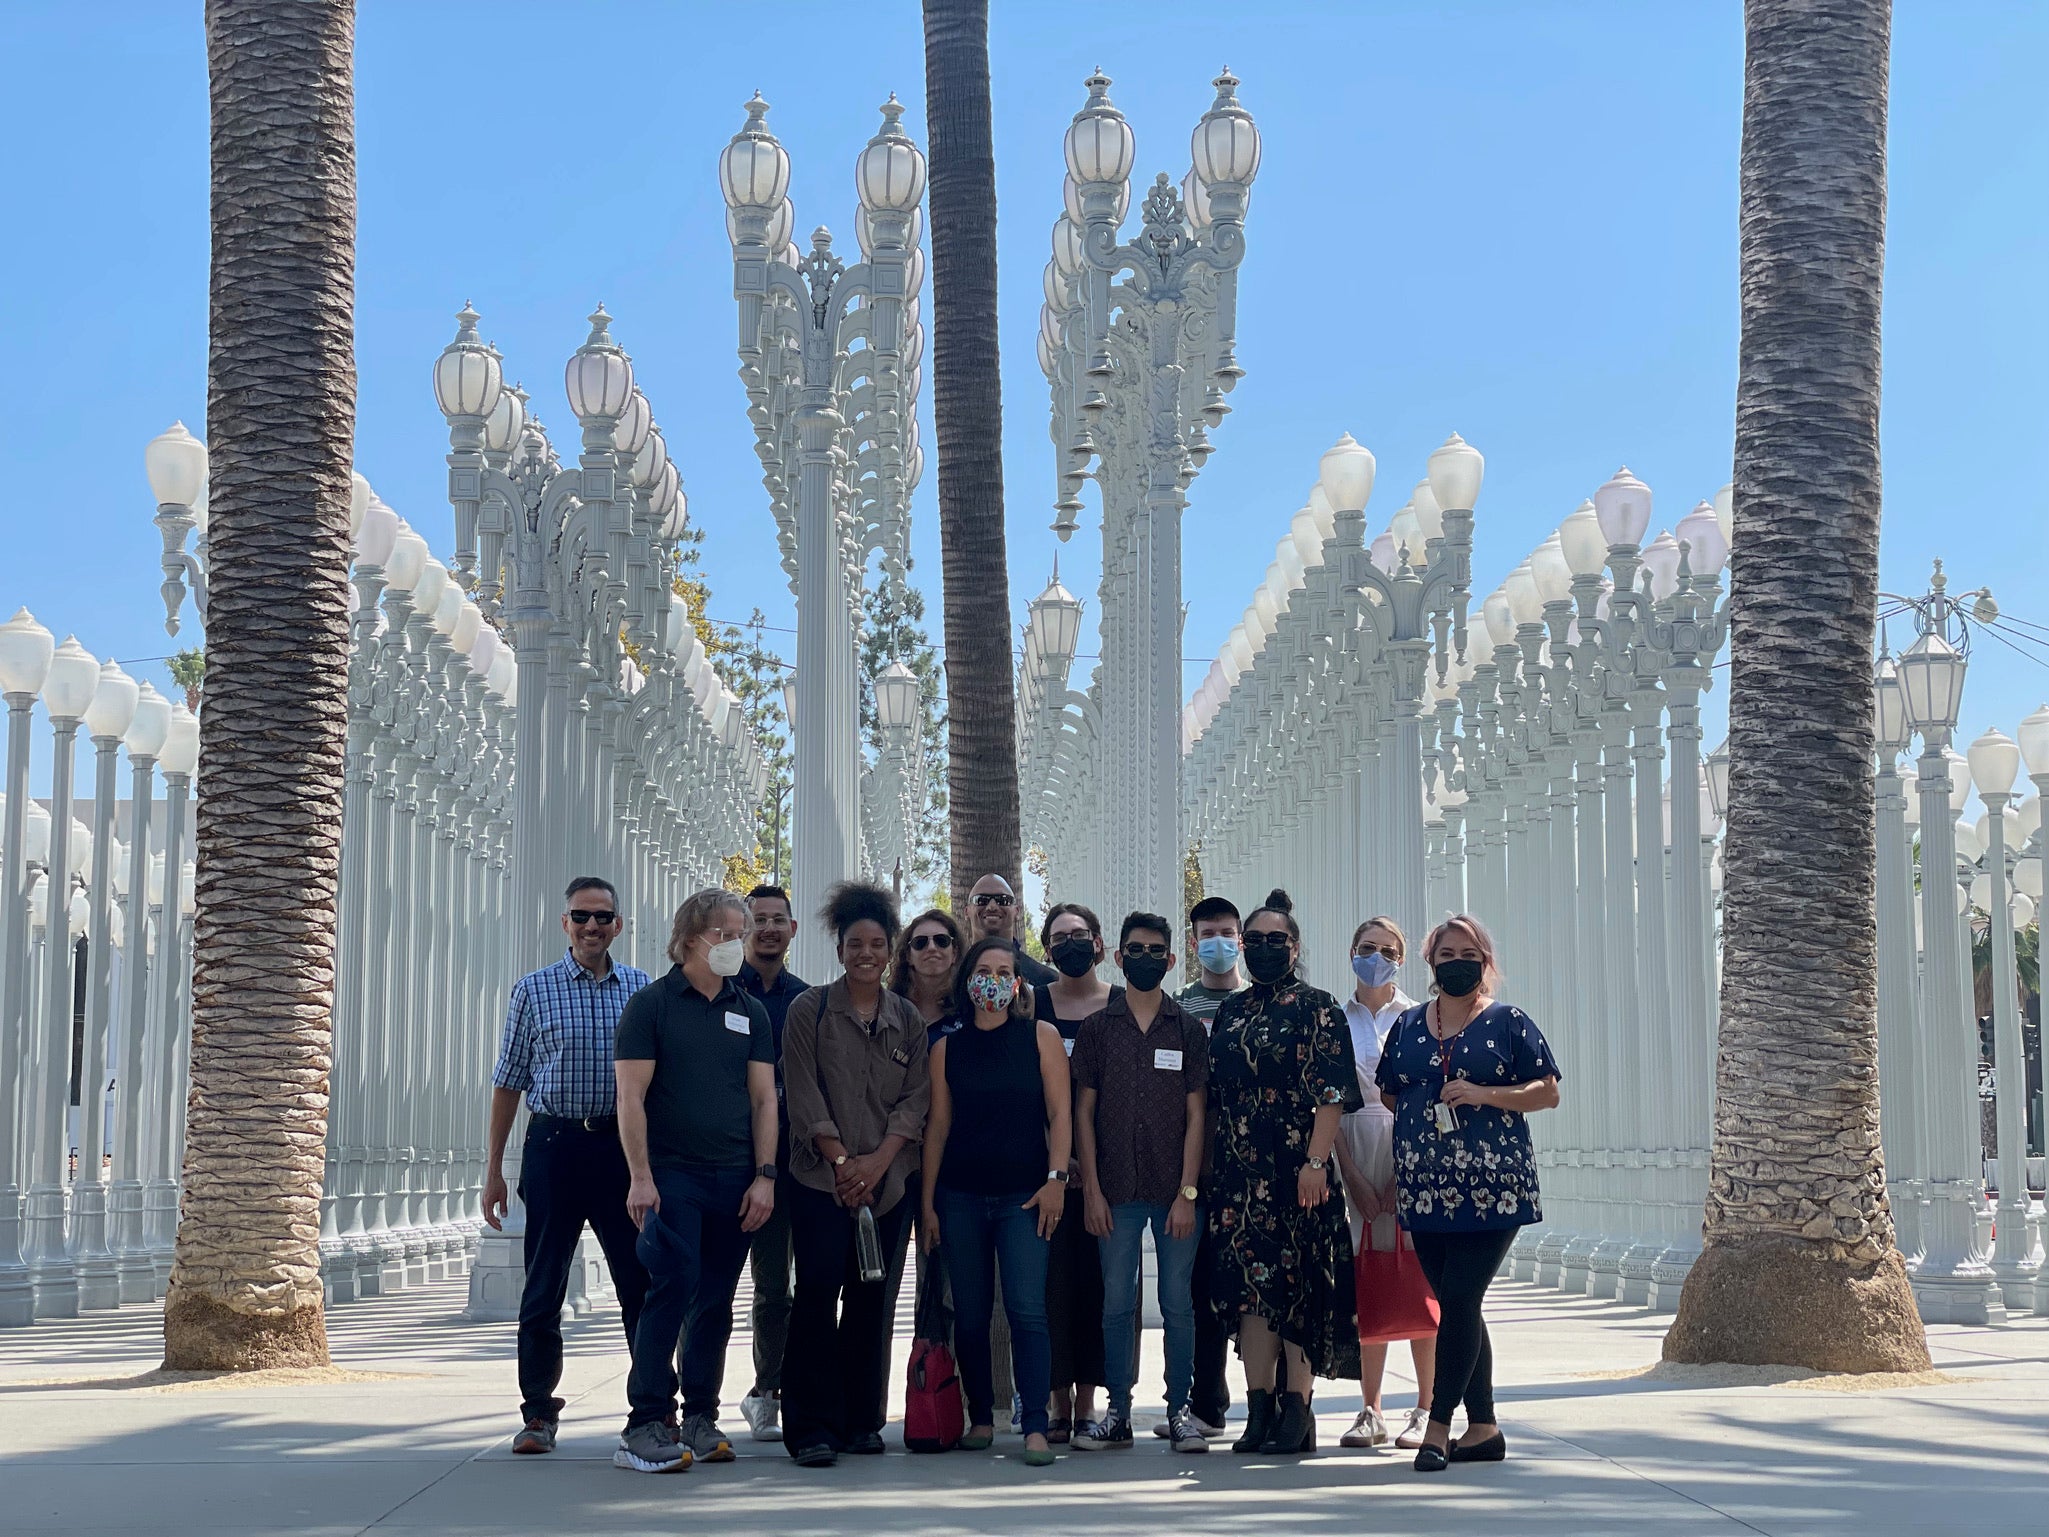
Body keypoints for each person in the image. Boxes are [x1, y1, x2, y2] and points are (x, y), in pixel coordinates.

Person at [1375, 915, 1560, 1473]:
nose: (1458, 962)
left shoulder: (1508, 1023)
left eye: (1469, 953)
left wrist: (1483, 1094)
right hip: (1426, 1189)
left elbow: (1547, 1092)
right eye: (1446, 953)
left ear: (1485, 961)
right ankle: (1484, 1427)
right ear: (1429, 961)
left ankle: (1438, 1424)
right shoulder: (1407, 1025)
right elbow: (1389, 1093)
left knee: (1456, 1298)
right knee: (1461, 1303)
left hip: (1493, 1188)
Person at [485, 877, 653, 1457]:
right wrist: (494, 1168)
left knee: (638, 1282)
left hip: (616, 1150)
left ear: (618, 925)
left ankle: (651, 1409)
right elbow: (508, 1080)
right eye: (581, 916)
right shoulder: (533, 990)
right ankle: (537, 1414)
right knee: (544, 1285)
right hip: (553, 1147)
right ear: (565, 923)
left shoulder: (639, 989)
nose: (592, 927)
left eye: (603, 917)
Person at [613, 888, 779, 1474]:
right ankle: (645, 1421)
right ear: (688, 938)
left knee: (715, 1300)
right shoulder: (652, 1005)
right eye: (725, 933)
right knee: (672, 1286)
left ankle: (701, 1417)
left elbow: (764, 1100)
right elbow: (630, 1097)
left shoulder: (750, 1010)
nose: (738, 942)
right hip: (672, 1176)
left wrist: (765, 1177)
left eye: (741, 931)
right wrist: (640, 1178)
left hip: (735, 1178)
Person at [1206, 888, 1360, 1457]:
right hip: (1241, 1179)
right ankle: (1261, 1407)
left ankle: (1299, 1407)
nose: (1266, 949)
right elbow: (1216, 1097)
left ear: (1294, 947)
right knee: (1250, 1294)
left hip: (1301, 1174)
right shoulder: (1231, 1010)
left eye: (1278, 940)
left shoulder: (1319, 1007)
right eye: (1257, 941)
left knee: (1299, 1289)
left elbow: (1331, 1094)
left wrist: (1317, 1163)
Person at [780, 882, 931, 1467]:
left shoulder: (908, 1019)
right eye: (854, 944)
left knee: (871, 1301)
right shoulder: (808, 1011)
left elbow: (915, 1101)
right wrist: (843, 1161)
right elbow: (801, 1088)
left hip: (888, 1184)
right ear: (839, 949)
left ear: (890, 949)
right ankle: (812, 1428)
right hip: (821, 1182)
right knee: (816, 1295)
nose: (866, 953)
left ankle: (862, 1420)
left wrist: (878, 1162)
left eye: (876, 943)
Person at [920, 937, 1071, 1469]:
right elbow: (937, 1127)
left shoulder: (1041, 1037)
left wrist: (1056, 1179)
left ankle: (1033, 1426)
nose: (993, 980)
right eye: (983, 970)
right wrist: (928, 1204)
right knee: (971, 1314)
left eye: (1004, 971)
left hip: (1026, 1198)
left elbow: (1060, 1115)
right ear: (968, 981)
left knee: (1028, 1311)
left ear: (1017, 982)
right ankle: (980, 1417)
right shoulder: (947, 1048)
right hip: (960, 1196)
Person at [1072, 911, 1209, 1453]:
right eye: (1136, 949)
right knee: (1115, 1303)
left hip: (1173, 1190)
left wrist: (1188, 1193)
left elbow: (1198, 1116)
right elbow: (1083, 1113)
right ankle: (1118, 1414)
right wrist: (1094, 1192)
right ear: (1118, 956)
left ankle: (1180, 1411)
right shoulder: (1098, 1030)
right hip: (1115, 1191)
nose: (1145, 958)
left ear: (1172, 961)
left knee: (1177, 1302)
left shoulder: (1189, 1029)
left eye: (1157, 951)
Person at [1333, 916, 1436, 1451]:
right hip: (1349, 1144)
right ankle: (1369, 1407)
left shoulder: (1418, 1018)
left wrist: (1401, 1174)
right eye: (1368, 948)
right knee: (1366, 1273)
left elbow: (1421, 1095)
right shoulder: (1334, 1017)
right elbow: (1327, 1099)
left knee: (1415, 1276)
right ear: (1351, 952)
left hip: (1408, 1152)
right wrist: (1350, 1173)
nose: (1377, 957)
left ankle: (1425, 1407)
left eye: (1388, 949)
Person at [1035, 902, 1112, 1443]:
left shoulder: (1122, 1004)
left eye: (1080, 934)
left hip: (1111, 1176)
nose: (1071, 944)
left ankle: (1089, 1400)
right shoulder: (1032, 1005)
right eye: (1060, 937)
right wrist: (1060, 1161)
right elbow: (1025, 1088)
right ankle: (1055, 1400)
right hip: (1046, 1172)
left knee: (1100, 1286)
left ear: (1099, 942)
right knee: (1050, 1286)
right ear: (1046, 948)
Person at [735, 884, 809, 1444]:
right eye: (757, 919)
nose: (767, 929)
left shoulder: (807, 1001)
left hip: (784, 1165)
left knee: (774, 1288)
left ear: (792, 929)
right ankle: (695, 1397)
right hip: (719, 1158)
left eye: (777, 919)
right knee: (701, 1286)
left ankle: (769, 1391)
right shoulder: (715, 991)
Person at [1171, 893, 1245, 1440]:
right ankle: (1206, 1401)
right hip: (1201, 1166)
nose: (1218, 943)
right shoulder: (1179, 1008)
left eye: (1228, 932)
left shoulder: (1260, 1002)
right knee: (1201, 1286)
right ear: (1194, 944)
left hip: (1256, 1166)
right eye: (1207, 935)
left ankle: (1276, 1398)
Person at [968, 872, 1058, 990]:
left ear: (1016, 911)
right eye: (981, 900)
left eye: (1003, 900)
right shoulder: (952, 976)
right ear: (967, 911)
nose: (992, 907)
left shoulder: (1047, 982)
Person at [890, 907, 964, 1043]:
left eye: (942, 940)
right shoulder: (889, 1011)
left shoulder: (969, 1010)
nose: (931, 948)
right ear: (908, 956)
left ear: (954, 953)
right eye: (920, 942)